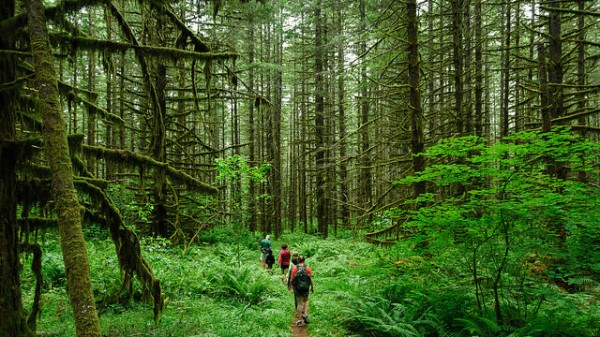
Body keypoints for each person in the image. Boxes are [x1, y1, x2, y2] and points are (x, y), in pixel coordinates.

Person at [289, 256, 313, 327]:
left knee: (299, 303)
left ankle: (299, 320)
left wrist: (291, 287)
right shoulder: (307, 268)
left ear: (298, 260)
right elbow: (310, 279)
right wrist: (312, 287)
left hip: (297, 288)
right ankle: (305, 315)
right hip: (306, 288)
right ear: (304, 260)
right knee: (306, 301)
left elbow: (292, 279)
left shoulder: (294, 268)